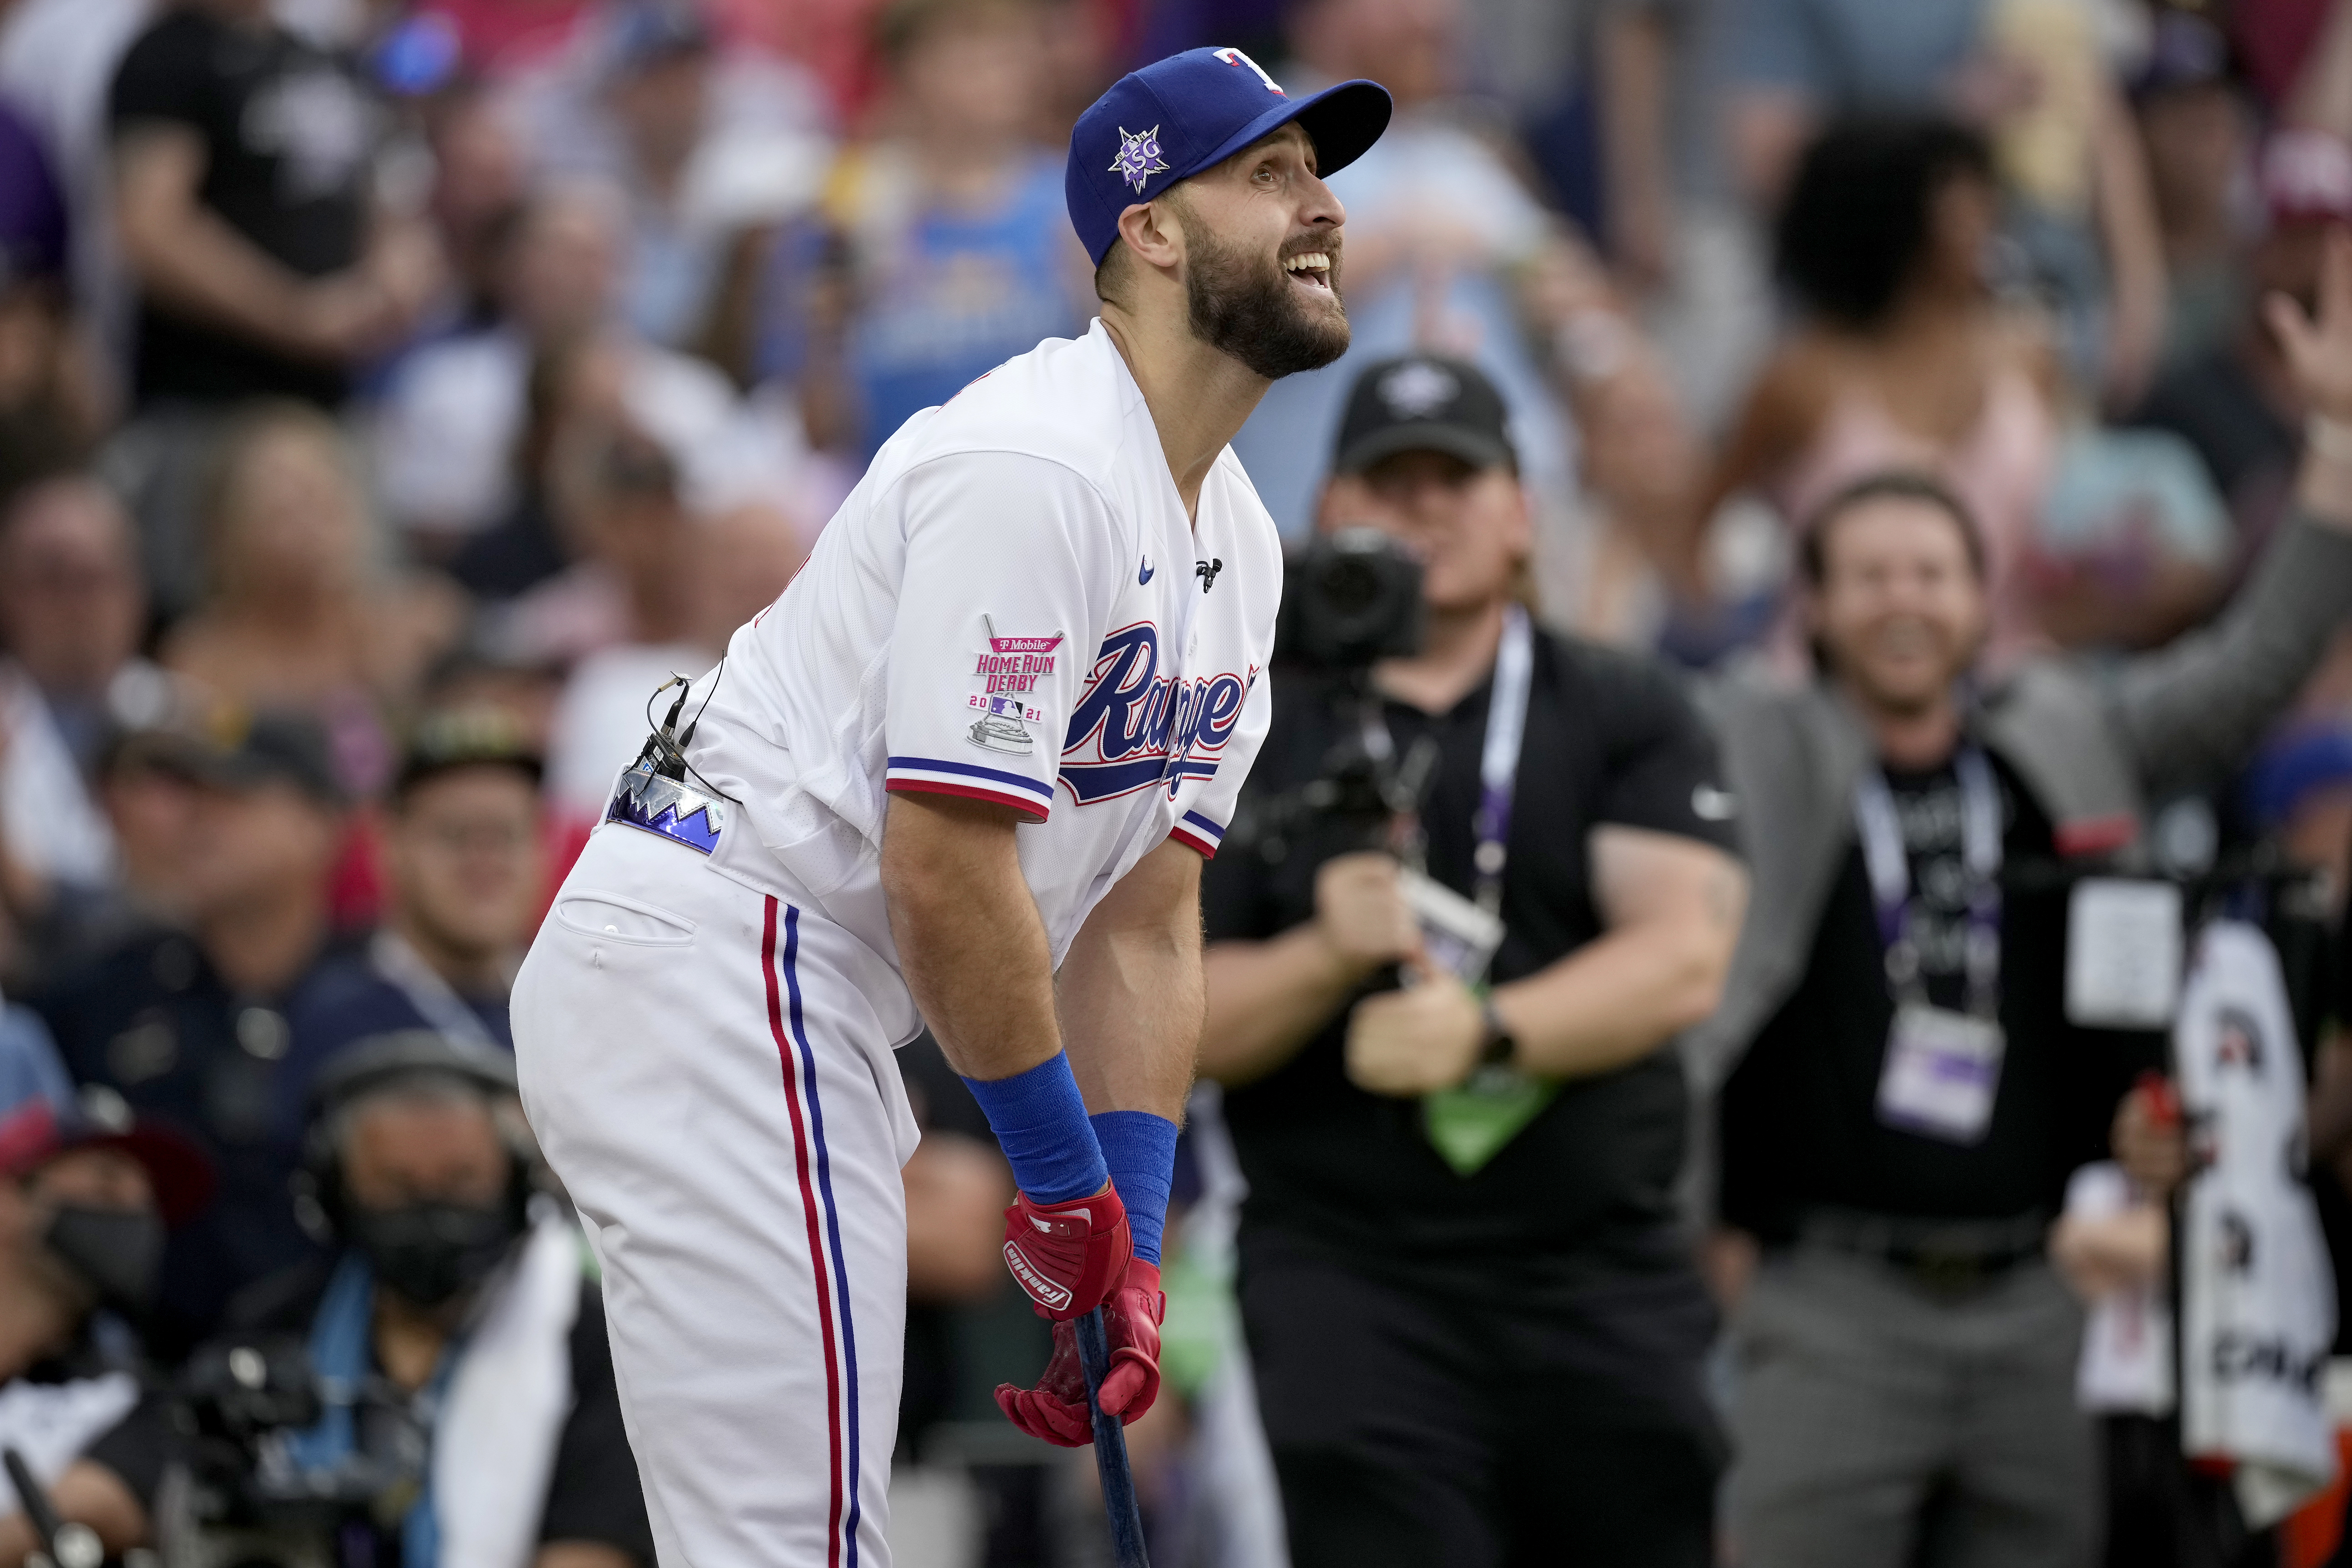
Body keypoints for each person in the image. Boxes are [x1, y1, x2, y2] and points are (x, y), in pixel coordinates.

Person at [511, 47, 1389, 1564]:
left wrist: (1127, 1225)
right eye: (1269, 174)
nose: (1322, 208)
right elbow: (943, 865)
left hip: (796, 985)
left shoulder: (1239, 542)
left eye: (1318, 175)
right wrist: (1056, 1183)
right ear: (1149, 229)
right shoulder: (1035, 462)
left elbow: (1144, 915)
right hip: (727, 946)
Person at [1690, 227, 2352, 1568]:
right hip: (1826, 1303)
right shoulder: (1746, 747)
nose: (1902, 601)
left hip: (2042, 1297)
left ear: (1981, 598)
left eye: (1930, 573)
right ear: (1810, 609)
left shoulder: (2061, 733)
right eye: (1868, 575)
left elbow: (2251, 669)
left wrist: (2334, 446)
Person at [1199, 352, 1747, 1567]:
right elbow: (1171, 1013)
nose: (1425, 508)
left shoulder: (1623, 704)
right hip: (1349, 1274)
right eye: (1390, 482)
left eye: (1455, 478)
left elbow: (1683, 955)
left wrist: (1492, 1031)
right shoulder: (1243, 716)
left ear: (1521, 511)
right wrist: (1322, 959)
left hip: (1593, 1265)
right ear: (1329, 508)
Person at [223, 1032, 653, 1568]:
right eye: (396, 1185)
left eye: (461, 1181)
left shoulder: (597, 1342)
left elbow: (592, 1553)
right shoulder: (272, 1329)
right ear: (335, 1194)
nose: (431, 1212)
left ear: (517, 1186)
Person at [32, 709, 354, 1356]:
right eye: (188, 796)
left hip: (344, 1362)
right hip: (134, 1366)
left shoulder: (383, 1000)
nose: (198, 819)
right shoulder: (97, 998)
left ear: (319, 824)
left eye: (235, 795)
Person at [754, 0, 1089, 462]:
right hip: (893, 491)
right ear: (906, 68)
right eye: (970, 51)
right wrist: (826, 329)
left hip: (1048, 489)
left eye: (1010, 49)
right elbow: (818, 427)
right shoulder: (847, 211)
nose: (998, 71)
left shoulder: (1075, 206)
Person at [161, 403, 464, 799]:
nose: (307, 529)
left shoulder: (418, 624)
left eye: (320, 503)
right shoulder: (201, 657)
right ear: (225, 532)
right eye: (281, 511)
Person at [0, 1004, 214, 1557]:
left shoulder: (127, 1401)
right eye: (105, 1184)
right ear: (9, 1197)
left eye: (148, 1206)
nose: (130, 1214)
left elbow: (105, 1502)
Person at [277, 711, 551, 1132]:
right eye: (454, 834)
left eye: (507, 833)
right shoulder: (336, 1024)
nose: (485, 860)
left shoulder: (572, 1006)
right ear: (389, 848)